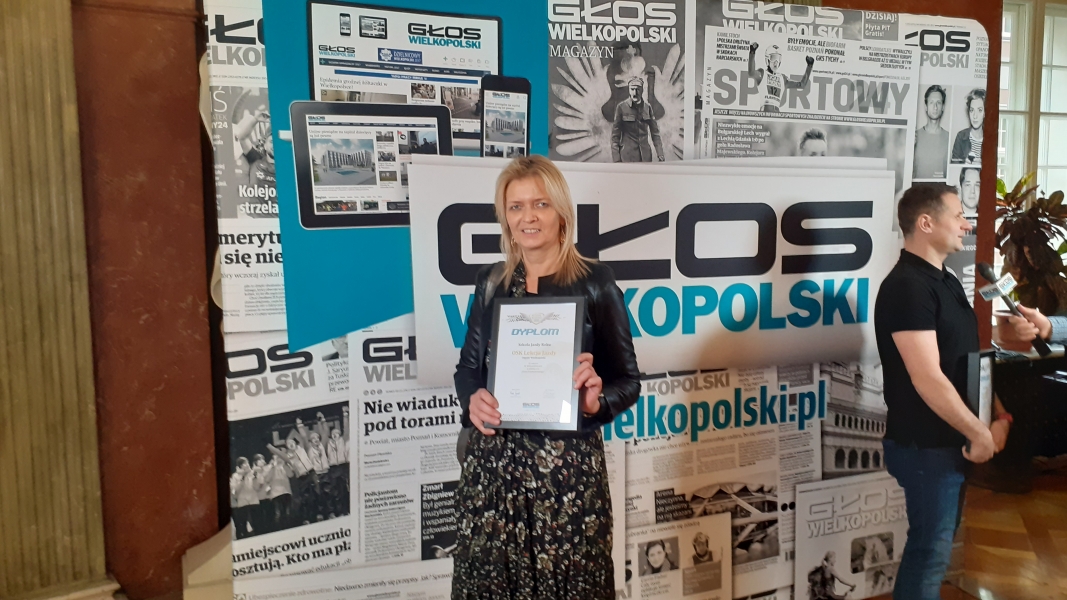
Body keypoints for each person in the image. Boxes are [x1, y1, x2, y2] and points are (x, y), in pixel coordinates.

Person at [451, 156, 641, 599]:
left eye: (540, 204)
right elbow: (468, 369)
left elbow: (627, 380)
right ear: (505, 217)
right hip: (495, 477)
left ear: (561, 213)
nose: (528, 217)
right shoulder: (491, 282)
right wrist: (472, 398)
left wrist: (596, 402)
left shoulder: (596, 282)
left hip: (567, 480)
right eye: (515, 207)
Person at [874, 182, 1011, 600]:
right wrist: (978, 432)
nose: (967, 225)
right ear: (926, 223)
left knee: (935, 549)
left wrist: (997, 415)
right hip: (926, 447)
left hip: (951, 442)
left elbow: (964, 359)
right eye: (959, 216)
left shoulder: (945, 279)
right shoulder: (907, 287)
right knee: (929, 555)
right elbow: (928, 377)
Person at [747, 42, 814, 112]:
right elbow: (751, 73)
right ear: (767, 59)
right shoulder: (762, 73)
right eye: (773, 58)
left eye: (778, 58)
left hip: (777, 113)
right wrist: (752, 52)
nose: (776, 62)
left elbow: (802, 85)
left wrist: (809, 66)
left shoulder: (782, 78)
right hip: (765, 112)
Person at [611, 77, 665, 163]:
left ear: (642, 90)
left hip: (646, 157)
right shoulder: (621, 107)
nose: (635, 93)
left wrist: (660, 154)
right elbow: (615, 136)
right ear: (629, 90)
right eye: (632, 89)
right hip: (627, 156)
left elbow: (655, 133)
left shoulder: (647, 107)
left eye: (638, 89)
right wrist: (616, 159)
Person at [914, 85, 950, 179]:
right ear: (926, 107)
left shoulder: (950, 138)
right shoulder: (915, 136)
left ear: (943, 107)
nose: (935, 107)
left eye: (938, 103)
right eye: (931, 102)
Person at [951, 89, 985, 164]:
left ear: (985, 113)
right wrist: (964, 165)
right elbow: (954, 165)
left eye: (979, 110)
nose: (975, 116)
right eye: (972, 110)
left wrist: (983, 165)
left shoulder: (991, 140)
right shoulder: (961, 136)